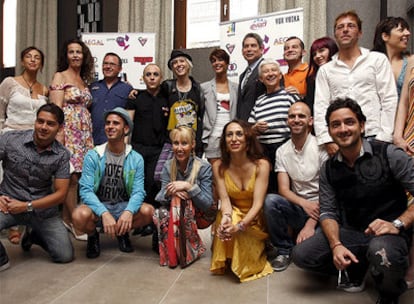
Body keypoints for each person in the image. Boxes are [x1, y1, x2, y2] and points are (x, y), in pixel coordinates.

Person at [292, 98, 414, 304]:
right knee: (302, 255)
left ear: (362, 125)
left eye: (349, 122)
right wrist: (336, 244)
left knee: (382, 254)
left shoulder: (389, 154)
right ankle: (357, 266)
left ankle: (389, 293)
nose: (343, 129)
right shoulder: (329, 168)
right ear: (329, 131)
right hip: (352, 232)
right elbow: (328, 212)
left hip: (389, 232)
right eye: (335, 125)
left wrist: (397, 224)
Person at [314, 10, 398, 157]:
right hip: (340, 139)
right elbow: (320, 106)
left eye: (351, 26)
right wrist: (327, 140)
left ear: (360, 32)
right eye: (340, 27)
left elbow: (389, 99)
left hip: (374, 135)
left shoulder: (377, 60)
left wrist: (384, 137)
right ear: (335, 35)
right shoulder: (326, 70)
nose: (345, 29)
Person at [72, 107, 154, 258]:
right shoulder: (93, 155)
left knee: (148, 212)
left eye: (116, 123)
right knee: (78, 215)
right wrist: (103, 212)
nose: (110, 126)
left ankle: (122, 233)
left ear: (126, 129)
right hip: (99, 206)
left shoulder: (136, 158)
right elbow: (85, 190)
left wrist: (128, 212)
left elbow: (138, 191)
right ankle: (93, 236)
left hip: (122, 205)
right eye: (108, 123)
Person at [0, 104, 73, 271]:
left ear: (59, 128)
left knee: (64, 255)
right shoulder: (10, 140)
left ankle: (35, 235)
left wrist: (27, 206)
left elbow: (61, 194)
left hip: (42, 210)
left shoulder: (62, 155)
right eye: (40, 121)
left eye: (50, 124)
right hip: (8, 204)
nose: (44, 127)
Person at [264, 102, 328, 272]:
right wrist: (304, 204)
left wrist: (310, 224)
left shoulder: (322, 147)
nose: (296, 119)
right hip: (300, 207)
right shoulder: (282, 151)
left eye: (301, 116)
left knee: (314, 252)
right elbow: (283, 190)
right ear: (287, 121)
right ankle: (284, 250)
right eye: (292, 116)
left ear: (311, 121)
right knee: (271, 201)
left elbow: (329, 192)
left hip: (325, 209)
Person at [210, 119, 273, 282]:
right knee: (224, 217)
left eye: (239, 134)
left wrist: (239, 226)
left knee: (236, 221)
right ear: (224, 141)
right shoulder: (218, 166)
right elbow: (224, 200)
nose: (234, 139)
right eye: (229, 135)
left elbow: (258, 204)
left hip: (255, 218)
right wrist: (226, 218)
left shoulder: (262, 165)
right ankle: (230, 252)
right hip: (233, 212)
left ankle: (252, 251)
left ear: (247, 138)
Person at [0, 46, 49, 245]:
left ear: (41, 64)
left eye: (37, 57)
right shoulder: (9, 83)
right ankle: (11, 225)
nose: (32, 60)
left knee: (30, 180)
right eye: (28, 56)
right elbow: (0, 112)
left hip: (34, 138)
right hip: (10, 135)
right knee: (9, 179)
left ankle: (30, 227)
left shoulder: (44, 88)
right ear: (22, 61)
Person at [49, 39, 95, 241]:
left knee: (80, 177)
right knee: (70, 177)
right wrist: (58, 136)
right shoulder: (60, 76)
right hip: (68, 132)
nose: (75, 55)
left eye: (79, 52)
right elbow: (56, 109)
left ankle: (67, 220)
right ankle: (77, 223)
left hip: (84, 134)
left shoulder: (84, 79)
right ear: (65, 55)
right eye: (71, 52)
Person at [154, 126, 212, 268]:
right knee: (159, 212)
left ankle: (188, 251)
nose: (179, 148)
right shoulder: (168, 166)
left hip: (200, 214)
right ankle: (173, 252)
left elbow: (208, 203)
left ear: (193, 145)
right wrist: (171, 191)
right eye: (176, 143)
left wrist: (188, 187)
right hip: (176, 211)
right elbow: (160, 197)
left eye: (184, 143)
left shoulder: (203, 167)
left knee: (181, 202)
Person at [248, 58, 300, 193]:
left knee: (288, 188)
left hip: (286, 149)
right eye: (266, 72)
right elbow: (250, 128)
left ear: (280, 74)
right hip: (264, 152)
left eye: (273, 70)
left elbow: (301, 120)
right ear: (260, 78)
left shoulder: (289, 95)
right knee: (268, 189)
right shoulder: (259, 101)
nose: (270, 74)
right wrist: (255, 128)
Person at [126, 63, 168, 208]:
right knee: (138, 184)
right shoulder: (135, 98)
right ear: (143, 78)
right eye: (148, 74)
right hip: (138, 148)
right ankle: (140, 219)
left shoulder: (167, 98)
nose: (152, 78)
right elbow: (128, 124)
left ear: (161, 78)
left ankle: (152, 220)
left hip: (159, 150)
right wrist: (125, 148)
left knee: (154, 183)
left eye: (155, 74)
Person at [394, 55, 414, 289]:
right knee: (408, 200)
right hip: (410, 137)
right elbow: (403, 102)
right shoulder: (411, 62)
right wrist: (398, 136)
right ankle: (409, 264)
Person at [201, 48, 238, 164]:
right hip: (212, 137)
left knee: (231, 175)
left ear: (227, 63)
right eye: (213, 60)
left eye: (220, 60)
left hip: (232, 138)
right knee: (215, 175)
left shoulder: (236, 88)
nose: (217, 63)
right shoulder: (204, 87)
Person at [89, 52, 133, 145]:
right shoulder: (91, 87)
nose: (108, 66)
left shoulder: (128, 89)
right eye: (105, 63)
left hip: (117, 143)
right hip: (93, 140)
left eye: (112, 64)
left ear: (120, 69)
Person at [372, 16, 412, 98]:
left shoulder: (410, 62)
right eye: (401, 30)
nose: (408, 33)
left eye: (407, 30)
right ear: (385, 36)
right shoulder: (370, 62)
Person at [303, 37, 338, 114]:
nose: (317, 56)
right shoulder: (311, 79)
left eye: (321, 51)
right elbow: (311, 105)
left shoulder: (343, 71)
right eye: (314, 54)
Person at [236, 33, 266, 121]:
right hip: (244, 125)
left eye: (253, 46)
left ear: (261, 49)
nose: (249, 49)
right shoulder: (243, 75)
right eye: (246, 46)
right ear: (242, 51)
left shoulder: (267, 68)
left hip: (260, 124)